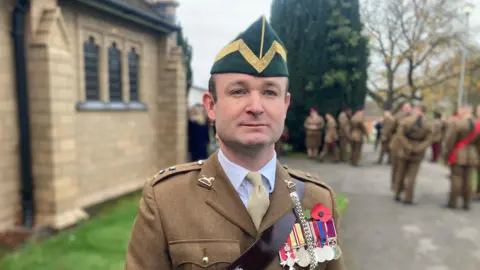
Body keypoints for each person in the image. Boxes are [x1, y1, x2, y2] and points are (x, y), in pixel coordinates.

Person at [124, 16, 345, 270]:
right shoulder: (165, 200)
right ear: (210, 105)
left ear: (285, 105)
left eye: (270, 92)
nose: (255, 107)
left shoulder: (317, 201)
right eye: (239, 91)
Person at [393, 104, 433, 205]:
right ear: (424, 112)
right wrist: (419, 147)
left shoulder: (406, 120)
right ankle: (408, 197)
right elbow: (429, 139)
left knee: (400, 173)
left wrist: (407, 146)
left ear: (416, 110)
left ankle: (397, 193)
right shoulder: (428, 124)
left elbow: (400, 135)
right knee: (412, 176)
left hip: (404, 149)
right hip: (418, 151)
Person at [443, 105, 480, 210]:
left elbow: (450, 141)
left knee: (456, 179)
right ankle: (466, 204)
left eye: (460, 110)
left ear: (464, 111)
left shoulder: (457, 123)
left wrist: (446, 155)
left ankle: (453, 202)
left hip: (458, 153)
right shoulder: (478, 124)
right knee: (469, 180)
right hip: (472, 154)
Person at [389, 103, 412, 191]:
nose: (407, 109)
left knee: (404, 167)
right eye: (406, 108)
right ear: (403, 108)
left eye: (409, 108)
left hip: (407, 144)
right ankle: (394, 184)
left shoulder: (413, 118)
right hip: (397, 144)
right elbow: (391, 129)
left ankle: (401, 185)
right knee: (395, 166)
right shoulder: (397, 116)